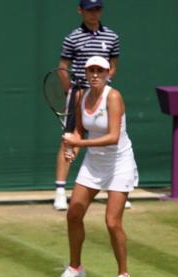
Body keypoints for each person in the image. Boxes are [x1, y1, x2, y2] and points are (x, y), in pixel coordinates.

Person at [53, 56, 137, 277]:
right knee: (74, 214)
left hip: (119, 163)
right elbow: (79, 128)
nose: (95, 75)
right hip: (94, 163)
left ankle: (123, 276)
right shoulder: (81, 96)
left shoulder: (113, 97)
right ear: (86, 73)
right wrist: (73, 149)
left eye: (100, 70)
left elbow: (113, 136)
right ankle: (75, 268)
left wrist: (80, 142)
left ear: (108, 72)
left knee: (112, 222)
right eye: (91, 70)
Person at [53, 0, 125, 211]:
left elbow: (113, 67)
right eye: (90, 9)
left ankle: (117, 188)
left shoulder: (112, 37)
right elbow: (63, 68)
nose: (94, 13)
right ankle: (59, 191)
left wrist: (102, 89)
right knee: (69, 140)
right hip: (78, 93)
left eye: (97, 9)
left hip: (103, 95)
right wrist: (72, 92)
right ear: (80, 11)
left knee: (111, 137)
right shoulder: (72, 37)